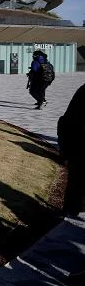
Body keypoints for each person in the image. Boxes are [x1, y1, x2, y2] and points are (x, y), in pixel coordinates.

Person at [58, 83, 85, 215]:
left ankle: (72, 211)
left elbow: (66, 125)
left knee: (76, 183)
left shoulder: (82, 92)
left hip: (79, 150)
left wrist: (65, 153)